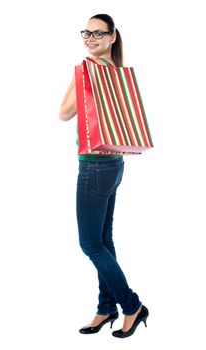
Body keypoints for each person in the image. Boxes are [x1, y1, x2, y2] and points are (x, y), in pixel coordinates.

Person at [58, 13, 149, 339]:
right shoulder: (115, 72)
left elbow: (64, 113)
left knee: (90, 244)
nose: (90, 38)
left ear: (112, 36)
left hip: (93, 166)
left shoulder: (90, 70)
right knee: (104, 240)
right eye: (87, 33)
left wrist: (78, 74)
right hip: (114, 162)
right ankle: (105, 307)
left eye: (98, 33)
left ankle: (131, 305)